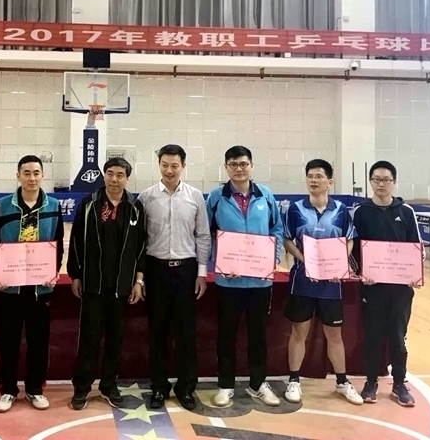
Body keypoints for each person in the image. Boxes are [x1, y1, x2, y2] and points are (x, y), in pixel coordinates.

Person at [206, 145, 284, 408]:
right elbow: (206, 233)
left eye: (243, 164)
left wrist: (273, 259)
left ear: (251, 166)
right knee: (226, 336)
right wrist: (218, 262)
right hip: (228, 282)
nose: (238, 169)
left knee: (258, 336)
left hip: (260, 282)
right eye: (233, 164)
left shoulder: (266, 195)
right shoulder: (216, 197)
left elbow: (277, 228)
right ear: (226, 167)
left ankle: (257, 384)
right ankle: (225, 385)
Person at [0, 155, 65, 413]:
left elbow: (58, 243)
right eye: (27, 173)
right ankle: (8, 390)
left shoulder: (53, 205)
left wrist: (53, 271)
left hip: (40, 288)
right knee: (8, 342)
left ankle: (34, 389)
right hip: (10, 288)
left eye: (36, 173)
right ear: (18, 175)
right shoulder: (3, 205)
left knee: (38, 342)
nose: (32, 178)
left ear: (43, 175)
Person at [282, 159, 363, 406]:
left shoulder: (342, 211)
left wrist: (339, 262)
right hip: (302, 281)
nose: (313, 180)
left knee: (334, 334)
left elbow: (349, 239)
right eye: (310, 176)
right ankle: (294, 380)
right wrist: (303, 258)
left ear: (330, 181)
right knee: (299, 332)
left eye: (318, 176)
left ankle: (342, 381)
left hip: (331, 284)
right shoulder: (295, 209)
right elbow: (287, 239)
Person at [67, 157, 146, 410]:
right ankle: (81, 387)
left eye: (120, 175)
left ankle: (109, 385)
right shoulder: (89, 203)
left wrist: (139, 280)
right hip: (93, 284)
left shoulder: (135, 207)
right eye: (110, 173)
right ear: (104, 175)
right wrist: (75, 275)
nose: (114, 179)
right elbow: (76, 240)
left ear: (127, 179)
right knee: (89, 338)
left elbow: (142, 246)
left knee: (115, 338)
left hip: (121, 286)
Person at [137, 144, 210, 411]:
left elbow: (203, 235)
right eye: (165, 165)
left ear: (183, 166)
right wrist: (141, 278)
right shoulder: (145, 198)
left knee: (185, 333)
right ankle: (159, 387)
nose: (169, 170)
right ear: (159, 165)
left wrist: (201, 273)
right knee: (157, 332)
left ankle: (186, 388)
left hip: (186, 271)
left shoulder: (195, 197)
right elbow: (140, 241)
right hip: (156, 270)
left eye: (174, 166)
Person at [352, 160, 423, 408]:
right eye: (376, 179)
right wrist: (362, 272)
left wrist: (415, 273)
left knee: (398, 336)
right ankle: (371, 382)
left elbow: (417, 248)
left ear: (394, 182)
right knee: (373, 335)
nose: (381, 184)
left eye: (386, 180)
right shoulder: (360, 212)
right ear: (370, 182)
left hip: (401, 289)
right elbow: (354, 249)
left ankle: (399, 383)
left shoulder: (406, 212)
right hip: (372, 287)